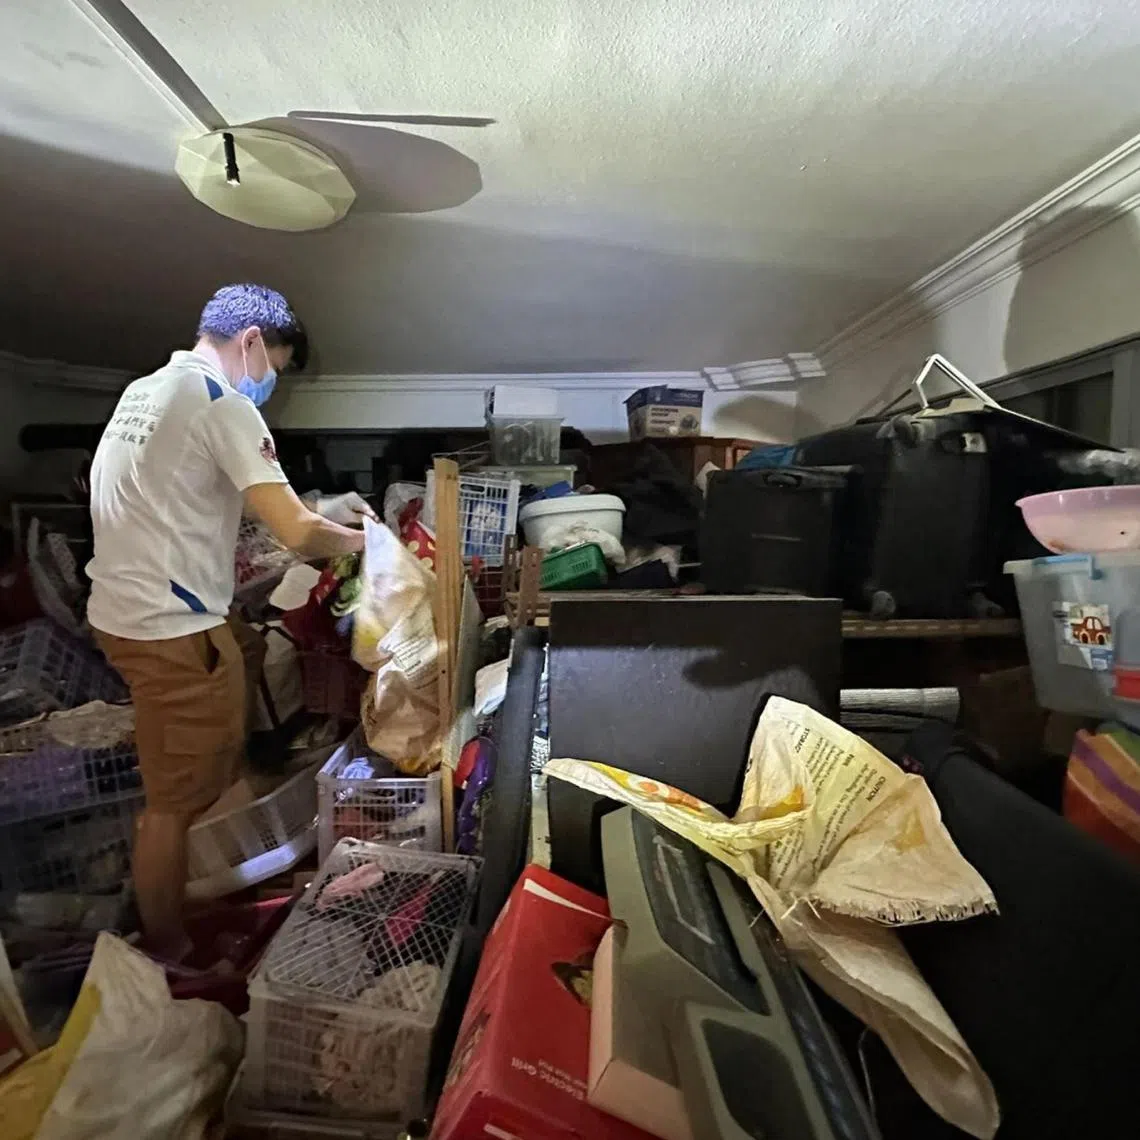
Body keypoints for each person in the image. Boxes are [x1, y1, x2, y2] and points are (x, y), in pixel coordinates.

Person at [87, 282, 375, 959]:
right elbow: (299, 537)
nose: (269, 381)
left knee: (242, 663)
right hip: (170, 631)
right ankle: (169, 947)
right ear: (250, 343)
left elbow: (204, 492)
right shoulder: (222, 405)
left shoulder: (148, 390)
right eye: (273, 365)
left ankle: (226, 846)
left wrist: (319, 508)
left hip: (123, 613)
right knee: (175, 802)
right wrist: (368, 543)